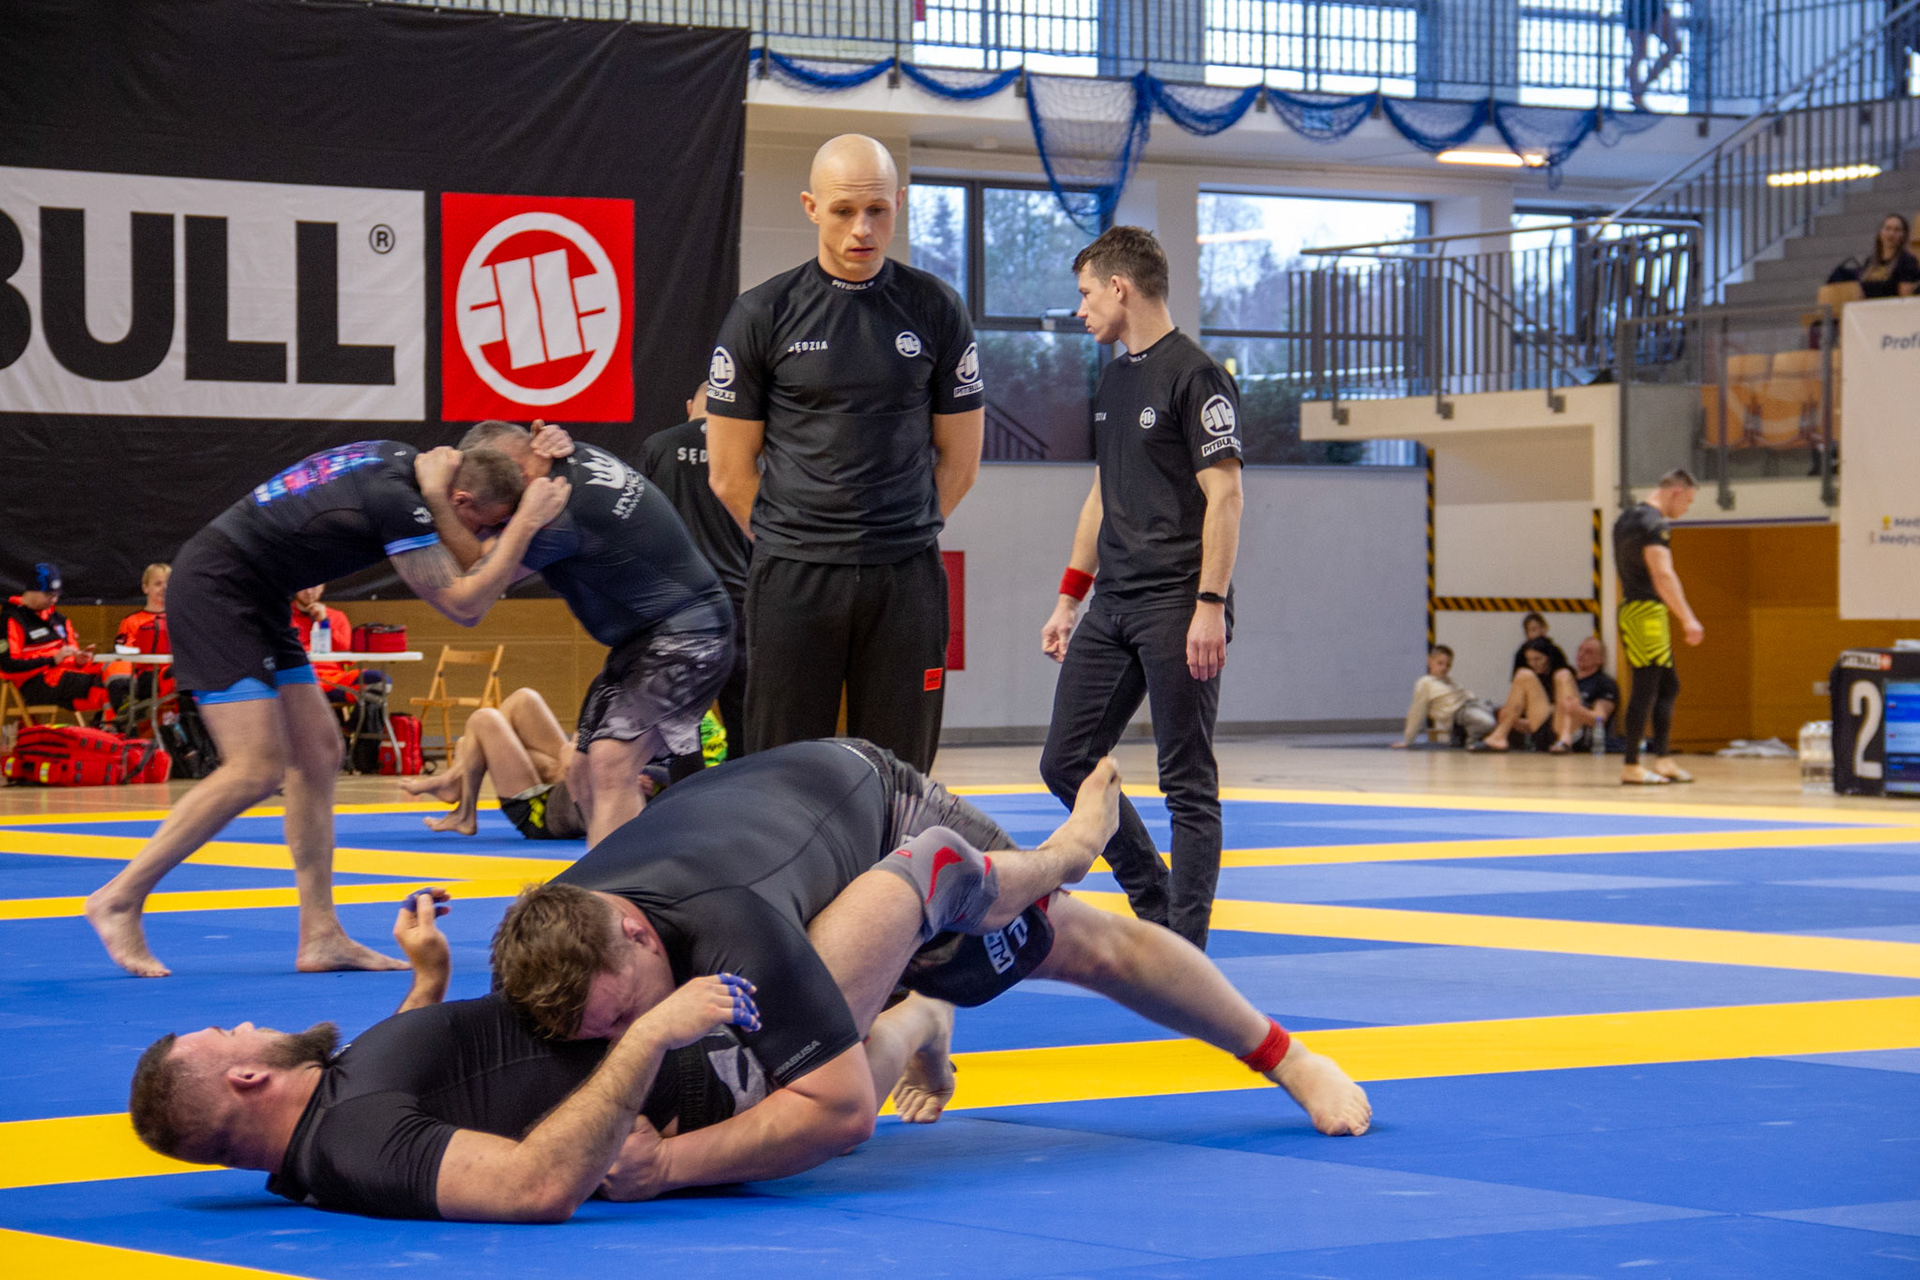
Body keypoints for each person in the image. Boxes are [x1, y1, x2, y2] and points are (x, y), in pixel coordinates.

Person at [490, 740, 1370, 1201]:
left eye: (623, 1017)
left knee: (1089, 947)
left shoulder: (733, 927)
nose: (624, 1039)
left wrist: (670, 1167)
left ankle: (1281, 1051)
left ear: (640, 936)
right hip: (772, 838)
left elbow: (840, 1114)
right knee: (746, 1079)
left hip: (881, 814)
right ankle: (916, 1013)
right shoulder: (560, 941)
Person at [124, 889, 1016, 1224]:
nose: (247, 1022)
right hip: (696, 1076)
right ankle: (927, 1011)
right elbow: (532, 1187)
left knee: (834, 994)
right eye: (232, 1034)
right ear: (248, 1077)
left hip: (654, 1040)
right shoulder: (352, 1142)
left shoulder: (331, 1119)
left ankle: (919, 1016)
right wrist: (650, 1032)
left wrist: (428, 980)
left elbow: (415, 1088)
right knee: (869, 952)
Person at [82, 439, 570, 978]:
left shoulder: (401, 461)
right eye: (484, 525)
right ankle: (120, 897)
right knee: (255, 768)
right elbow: (464, 604)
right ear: (459, 500)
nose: (480, 538)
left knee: (318, 752)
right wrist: (525, 526)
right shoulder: (399, 501)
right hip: (216, 588)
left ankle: (320, 935)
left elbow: (483, 459)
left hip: (257, 590)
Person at [705, 134, 985, 773]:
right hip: (794, 577)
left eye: (878, 210)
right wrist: (799, 539)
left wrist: (896, 532)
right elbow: (728, 473)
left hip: (906, 576)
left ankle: (890, 849)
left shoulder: (936, 308)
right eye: (843, 210)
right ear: (811, 207)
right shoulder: (762, 313)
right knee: (780, 770)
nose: (862, 228)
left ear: (899, 204)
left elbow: (961, 462)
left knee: (900, 774)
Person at [1037, 225, 1245, 950]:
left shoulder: (1196, 376)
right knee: (1064, 760)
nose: (1080, 309)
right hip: (1114, 604)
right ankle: (1156, 904)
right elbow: (1102, 495)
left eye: (1086, 293)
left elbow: (1226, 497)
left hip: (1179, 605)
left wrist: (1210, 605)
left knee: (1186, 781)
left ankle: (1187, 950)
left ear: (1119, 287)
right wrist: (1070, 597)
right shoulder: (1115, 379)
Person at [442, 421, 735, 846]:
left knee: (612, 761)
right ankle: (608, 874)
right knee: (579, 770)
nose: (496, 519)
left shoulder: (554, 511)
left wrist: (513, 519)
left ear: (520, 469)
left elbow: (471, 592)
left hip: (689, 634)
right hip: (646, 640)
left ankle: (621, 884)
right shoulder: (567, 453)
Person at [637, 383, 751, 761]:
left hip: (678, 604)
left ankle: (686, 795)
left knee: (679, 721)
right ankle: (748, 793)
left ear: (690, 406)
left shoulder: (659, 446)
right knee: (743, 717)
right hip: (738, 602)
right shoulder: (749, 452)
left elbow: (638, 525)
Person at [1614, 469, 1705, 785]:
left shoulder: (1626, 518)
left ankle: (1663, 759)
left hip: (1638, 610)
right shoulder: (1654, 525)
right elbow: (1662, 574)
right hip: (1645, 613)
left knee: (1668, 685)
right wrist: (1688, 618)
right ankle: (1631, 765)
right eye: (1688, 502)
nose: (1686, 509)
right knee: (1645, 687)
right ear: (1676, 491)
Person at [1, 562, 111, 717]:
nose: (53, 600)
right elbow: (7, 666)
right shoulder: (12, 619)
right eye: (48, 595)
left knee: (115, 670)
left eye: (56, 595)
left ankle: (112, 726)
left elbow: (72, 653)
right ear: (32, 590)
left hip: (67, 674)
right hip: (36, 683)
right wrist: (52, 660)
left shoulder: (59, 620)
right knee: (101, 683)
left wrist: (79, 659)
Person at [1475, 637, 1580, 753]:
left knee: (1563, 674)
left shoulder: (1567, 675)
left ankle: (1565, 739)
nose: (1533, 664)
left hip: (1569, 725)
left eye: (1538, 659)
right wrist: (1512, 718)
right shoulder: (1533, 679)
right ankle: (1499, 736)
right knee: (1523, 674)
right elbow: (1528, 721)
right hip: (1543, 726)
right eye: (1529, 660)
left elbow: (1576, 705)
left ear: (1549, 657)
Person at [1393, 644, 1495, 748]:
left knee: (1502, 715)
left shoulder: (1450, 680)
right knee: (1488, 723)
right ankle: (1470, 741)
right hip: (1458, 713)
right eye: (1440, 663)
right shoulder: (1425, 683)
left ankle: (1479, 736)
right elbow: (1416, 711)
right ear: (1429, 661)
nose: (1444, 668)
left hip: (1474, 705)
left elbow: (1468, 695)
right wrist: (1408, 740)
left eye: (1448, 665)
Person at [105, 562, 172, 718]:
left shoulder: (181, 620)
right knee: (113, 662)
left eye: (168, 583)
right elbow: (123, 654)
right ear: (145, 588)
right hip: (143, 679)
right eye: (158, 584)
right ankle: (126, 707)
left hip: (171, 677)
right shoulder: (132, 621)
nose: (164, 588)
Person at [290, 585, 358, 709]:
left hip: (334, 679)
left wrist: (324, 621)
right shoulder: (284, 617)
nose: (309, 592)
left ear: (322, 588)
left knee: (378, 681)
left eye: (314, 587)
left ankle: (351, 722)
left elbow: (348, 657)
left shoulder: (337, 616)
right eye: (304, 586)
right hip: (299, 679)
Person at [1568, 635, 1621, 753]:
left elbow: (1599, 718)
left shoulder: (1604, 683)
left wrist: (1576, 709)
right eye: (1579, 650)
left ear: (1600, 659)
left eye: (1588, 652)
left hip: (1584, 742)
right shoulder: (1568, 680)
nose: (1581, 655)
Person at [1624, 0, 1679, 110]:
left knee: (1673, 48)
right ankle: (1637, 95)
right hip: (1637, 6)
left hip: (1651, 6)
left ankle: (1640, 90)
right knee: (1639, 53)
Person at [1852, 213, 1920, 299]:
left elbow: (1906, 295)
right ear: (1880, 233)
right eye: (1888, 229)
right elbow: (1861, 293)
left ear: (1903, 235)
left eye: (1897, 230)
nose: (1891, 234)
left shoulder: (1907, 261)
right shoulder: (1870, 261)